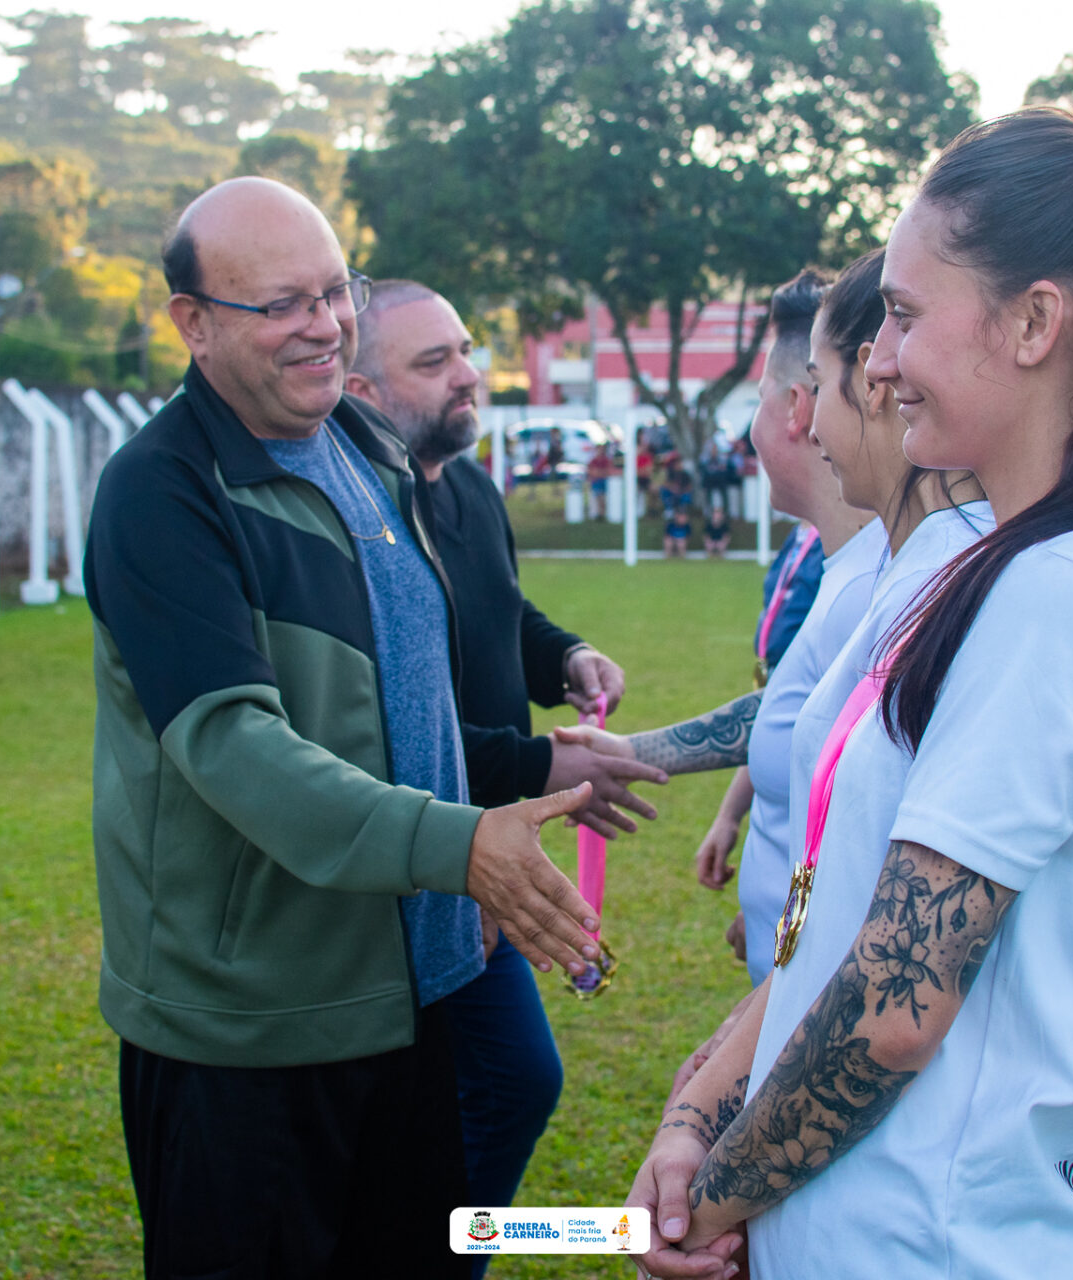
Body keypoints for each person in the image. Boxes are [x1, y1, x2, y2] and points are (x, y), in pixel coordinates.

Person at [631, 108, 1073, 1280]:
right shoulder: (999, 559)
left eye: (903, 315)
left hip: (939, 1244)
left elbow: (896, 998)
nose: (878, 358)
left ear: (1035, 323)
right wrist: (704, 1108)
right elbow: (850, 918)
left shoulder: (1057, 590)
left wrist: (716, 1195)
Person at [82, 178, 605, 1280]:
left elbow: (406, 702)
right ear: (193, 322)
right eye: (280, 304)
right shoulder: (161, 493)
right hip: (248, 1030)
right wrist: (460, 846)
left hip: (407, 996)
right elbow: (236, 747)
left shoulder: (368, 451)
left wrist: (524, 763)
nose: (322, 324)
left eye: (335, 292)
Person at [341, 278, 665, 1242]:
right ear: (361, 390)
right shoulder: (362, 519)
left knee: (510, 1083)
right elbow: (400, 730)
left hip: (492, 851)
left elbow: (502, 612)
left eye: (465, 351)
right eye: (433, 362)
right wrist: (542, 766)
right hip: (411, 859)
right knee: (459, 1093)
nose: (468, 376)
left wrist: (562, 654)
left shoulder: (471, 488)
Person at [558, 265, 915, 987]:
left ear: (795, 408)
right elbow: (793, 707)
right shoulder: (849, 564)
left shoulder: (888, 580)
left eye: (756, 401)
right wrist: (631, 750)